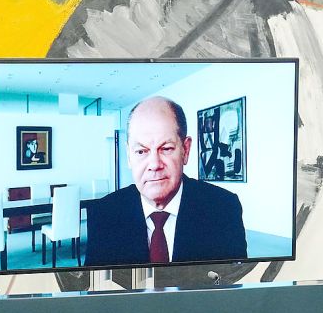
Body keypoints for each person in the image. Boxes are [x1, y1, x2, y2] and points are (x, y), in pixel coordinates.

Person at [85, 96, 247, 267]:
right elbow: (99, 290)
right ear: (129, 156)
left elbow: (232, 288)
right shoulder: (103, 214)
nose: (154, 164)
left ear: (186, 150)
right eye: (141, 151)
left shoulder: (223, 208)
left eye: (167, 148)